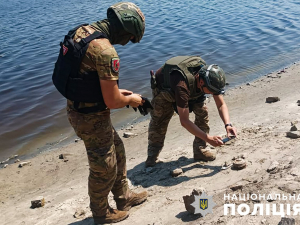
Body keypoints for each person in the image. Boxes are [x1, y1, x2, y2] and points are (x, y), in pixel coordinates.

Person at [52, 2, 147, 224]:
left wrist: (116, 92)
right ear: (124, 30)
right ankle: (101, 213)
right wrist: (131, 99)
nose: (127, 43)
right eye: (131, 38)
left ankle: (124, 198)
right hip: (89, 117)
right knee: (104, 168)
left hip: (80, 106)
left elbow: (84, 72)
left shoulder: (83, 31)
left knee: (118, 150)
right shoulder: (106, 51)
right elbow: (113, 101)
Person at [146, 56, 237, 167]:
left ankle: (200, 151)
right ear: (202, 82)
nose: (213, 93)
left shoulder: (210, 79)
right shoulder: (182, 86)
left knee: (202, 114)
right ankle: (152, 156)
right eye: (211, 91)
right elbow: (184, 121)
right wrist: (208, 138)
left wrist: (228, 125)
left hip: (193, 89)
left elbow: (221, 104)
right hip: (164, 91)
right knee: (159, 122)